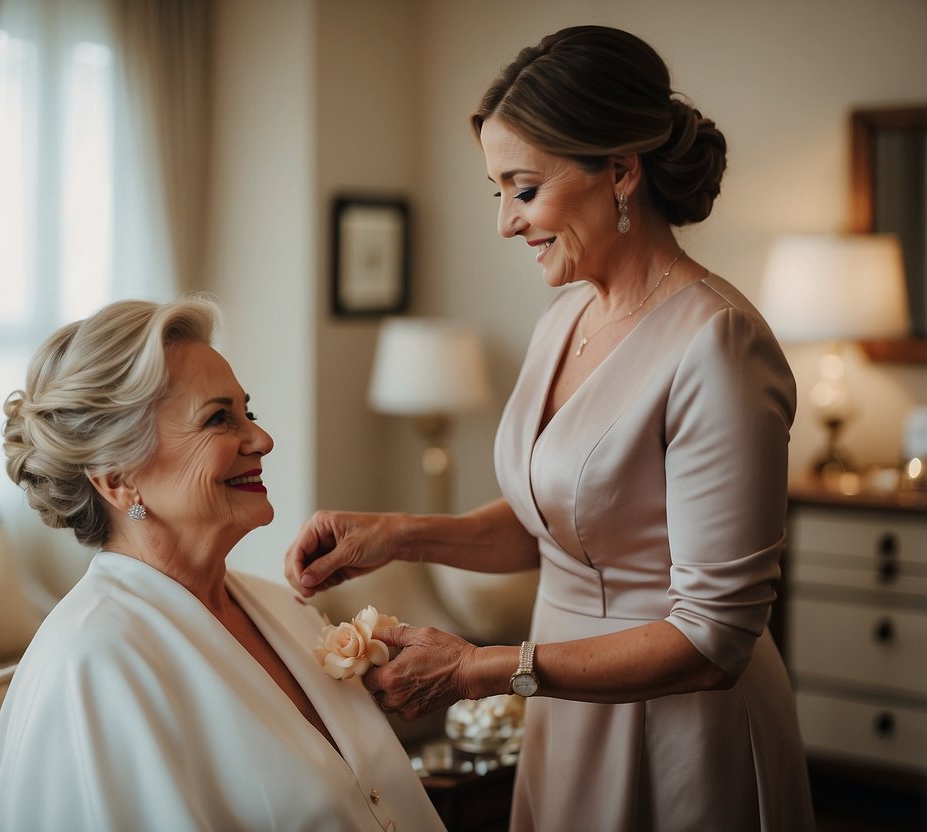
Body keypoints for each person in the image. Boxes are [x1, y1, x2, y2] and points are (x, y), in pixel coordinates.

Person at [285, 25, 814, 832]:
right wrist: (394, 534)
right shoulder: (563, 315)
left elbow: (713, 643)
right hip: (563, 705)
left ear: (621, 171)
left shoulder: (719, 344)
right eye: (494, 190)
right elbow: (562, 529)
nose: (504, 222)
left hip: (674, 727)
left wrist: (478, 669)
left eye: (523, 190)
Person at [0, 298, 444, 832]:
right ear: (118, 478)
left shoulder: (282, 608)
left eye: (250, 412)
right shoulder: (94, 664)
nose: (262, 440)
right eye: (219, 419)